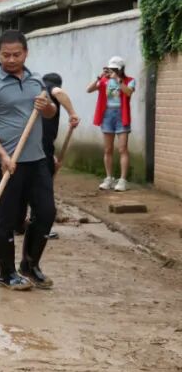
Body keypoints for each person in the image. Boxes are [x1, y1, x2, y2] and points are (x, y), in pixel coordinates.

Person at [0, 30, 58, 291]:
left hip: (37, 160)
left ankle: (30, 266)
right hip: (7, 162)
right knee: (8, 218)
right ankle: (7, 273)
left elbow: (50, 113)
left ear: (26, 53)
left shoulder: (36, 81)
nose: (11, 60)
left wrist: (47, 106)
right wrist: (1, 154)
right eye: (6, 55)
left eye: (16, 54)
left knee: (46, 212)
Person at [30, 72, 80, 239]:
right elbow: (59, 92)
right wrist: (72, 113)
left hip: (34, 144)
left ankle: (23, 223)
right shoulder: (51, 89)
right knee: (43, 187)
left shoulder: (36, 92)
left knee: (30, 184)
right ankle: (40, 225)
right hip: (43, 145)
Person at [87, 56, 136, 192]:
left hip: (121, 115)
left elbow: (128, 92)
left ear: (121, 69)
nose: (112, 71)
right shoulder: (104, 81)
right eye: (110, 69)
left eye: (115, 69)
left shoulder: (129, 80)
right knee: (108, 149)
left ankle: (123, 180)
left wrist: (118, 80)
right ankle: (109, 178)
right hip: (107, 115)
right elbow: (89, 89)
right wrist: (99, 77)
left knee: (122, 148)